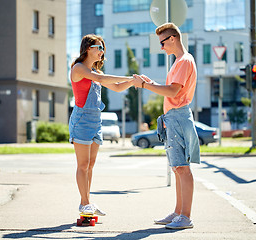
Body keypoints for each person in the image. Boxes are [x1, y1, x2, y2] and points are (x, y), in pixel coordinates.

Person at [133, 23, 200, 229]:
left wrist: (145, 85)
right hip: (174, 117)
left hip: (178, 116)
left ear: (172, 39)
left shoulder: (183, 61)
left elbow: (172, 92)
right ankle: (179, 212)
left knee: (182, 168)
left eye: (162, 43)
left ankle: (185, 217)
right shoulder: (180, 62)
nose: (161, 47)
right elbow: (171, 90)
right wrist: (151, 82)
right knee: (178, 168)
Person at [69, 34, 134, 216]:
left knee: (90, 164)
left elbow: (118, 87)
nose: (102, 52)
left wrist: (133, 81)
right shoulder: (79, 68)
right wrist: (128, 76)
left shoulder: (96, 74)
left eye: (103, 49)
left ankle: (87, 202)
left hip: (96, 120)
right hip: (81, 120)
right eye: (99, 48)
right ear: (88, 48)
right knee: (82, 165)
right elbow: (105, 81)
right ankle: (85, 203)